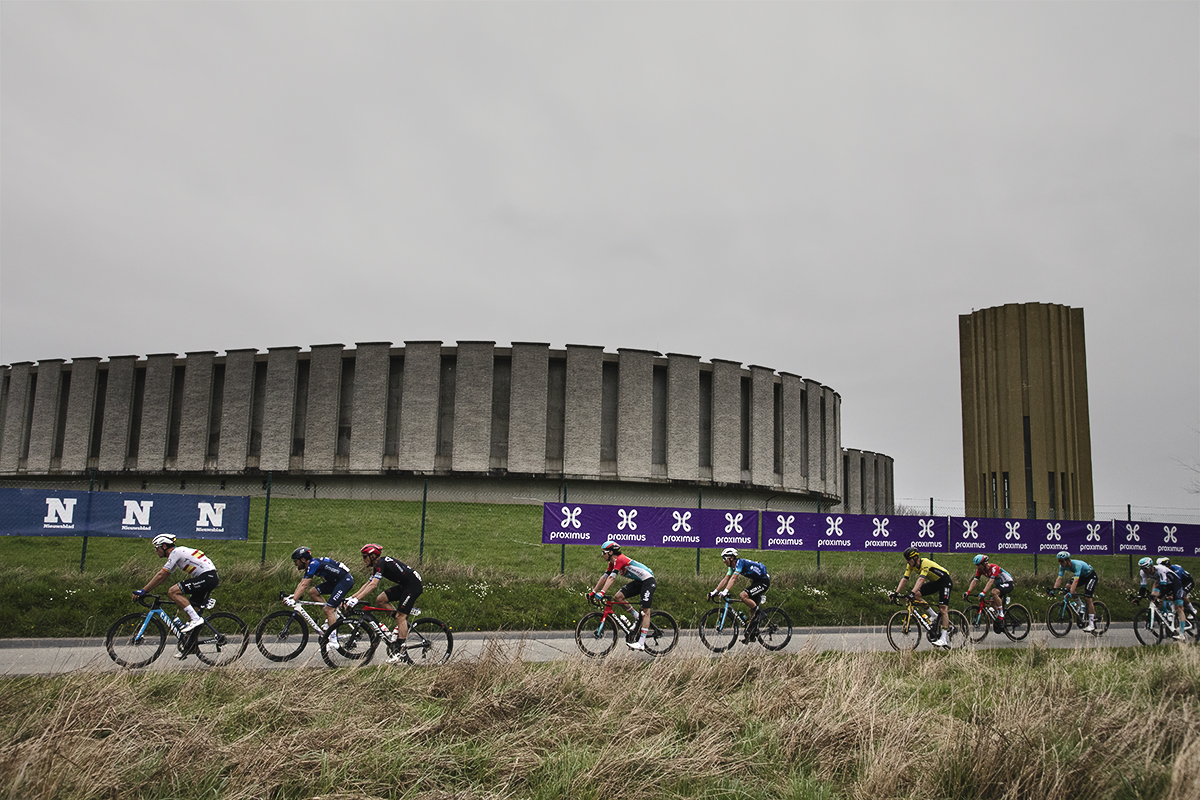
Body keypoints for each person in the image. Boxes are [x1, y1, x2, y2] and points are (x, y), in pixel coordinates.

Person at [132, 534, 218, 648]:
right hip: (208, 577)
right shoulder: (177, 555)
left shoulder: (175, 553)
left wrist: (143, 591)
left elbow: (161, 575)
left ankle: (196, 619)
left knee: (173, 591)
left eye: (156, 548)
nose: (156, 551)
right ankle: (190, 645)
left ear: (164, 546)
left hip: (207, 577)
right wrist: (146, 590)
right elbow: (163, 577)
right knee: (192, 610)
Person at [346, 543, 424, 664]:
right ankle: (400, 624)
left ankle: (400, 652)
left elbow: (373, 585)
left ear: (372, 556)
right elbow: (367, 583)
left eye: (365, 557)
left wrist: (357, 600)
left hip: (413, 586)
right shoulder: (378, 565)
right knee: (380, 600)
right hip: (406, 585)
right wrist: (352, 597)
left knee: (400, 616)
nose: (363, 560)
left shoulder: (381, 563)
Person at [589, 540, 656, 651]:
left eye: (604, 552)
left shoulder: (619, 560)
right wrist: (594, 592)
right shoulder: (612, 563)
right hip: (639, 582)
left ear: (610, 552)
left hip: (648, 581)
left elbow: (612, 578)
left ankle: (641, 643)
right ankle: (636, 616)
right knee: (618, 597)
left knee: (645, 610)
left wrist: (602, 593)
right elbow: (604, 577)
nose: (602, 555)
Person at [285, 546, 355, 645]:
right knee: (312, 592)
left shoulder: (314, 564)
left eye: (296, 561)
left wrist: (294, 599)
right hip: (335, 582)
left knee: (328, 610)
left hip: (344, 581)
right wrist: (294, 597)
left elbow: (305, 585)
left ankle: (334, 640)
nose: (295, 563)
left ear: (303, 559)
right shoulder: (310, 565)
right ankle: (333, 615)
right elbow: (302, 583)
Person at [890, 547, 954, 648]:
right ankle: (933, 615)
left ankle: (943, 639)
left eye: (908, 559)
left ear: (915, 558)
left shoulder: (925, 563)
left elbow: (921, 580)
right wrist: (896, 593)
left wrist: (911, 592)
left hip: (945, 581)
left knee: (943, 609)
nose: (907, 562)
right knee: (916, 596)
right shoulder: (910, 565)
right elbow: (904, 579)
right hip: (935, 582)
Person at [707, 548, 770, 644]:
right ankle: (751, 633)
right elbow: (726, 579)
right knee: (751, 610)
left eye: (725, 558)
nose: (724, 561)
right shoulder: (731, 567)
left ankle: (760, 613)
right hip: (756, 582)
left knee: (743, 595)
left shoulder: (740, 563)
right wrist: (714, 591)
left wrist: (725, 591)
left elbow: (734, 578)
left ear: (732, 558)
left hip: (763, 581)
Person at [963, 554, 1014, 634]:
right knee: (992, 604)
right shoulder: (980, 570)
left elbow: (991, 581)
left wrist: (983, 592)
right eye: (976, 565)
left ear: (985, 563)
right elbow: (975, 580)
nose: (978, 567)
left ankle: (1001, 614)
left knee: (994, 592)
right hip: (999, 585)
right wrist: (968, 592)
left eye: (979, 565)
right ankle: (1000, 621)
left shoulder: (994, 568)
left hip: (1008, 583)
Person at [1136, 557, 1185, 640]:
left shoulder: (1161, 569)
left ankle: (1182, 634)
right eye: (1142, 569)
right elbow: (1143, 587)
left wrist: (1159, 596)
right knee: (1153, 595)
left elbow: (1164, 587)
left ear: (1151, 567)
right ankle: (1166, 614)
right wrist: (1138, 598)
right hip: (1163, 584)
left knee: (1178, 608)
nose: (1144, 571)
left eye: (1146, 569)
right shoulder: (1142, 572)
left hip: (1175, 584)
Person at [1050, 551, 1100, 632]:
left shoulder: (1077, 565)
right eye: (1059, 561)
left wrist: (1071, 592)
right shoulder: (1062, 567)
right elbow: (1059, 579)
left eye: (1062, 561)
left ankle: (1091, 625)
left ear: (1068, 560)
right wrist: (1054, 589)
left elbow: (1076, 581)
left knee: (1087, 598)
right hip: (1081, 576)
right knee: (1068, 586)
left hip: (1090, 576)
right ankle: (1081, 605)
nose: (1060, 563)